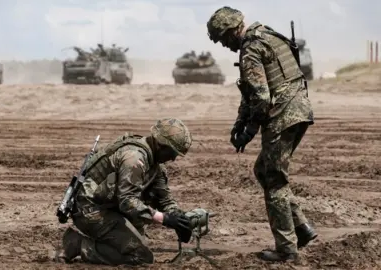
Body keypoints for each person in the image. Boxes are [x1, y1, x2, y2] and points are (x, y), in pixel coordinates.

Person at [206, 6, 318, 262]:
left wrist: (249, 130)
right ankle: (302, 228)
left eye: (223, 39)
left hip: (283, 114)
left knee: (274, 180)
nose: (224, 45)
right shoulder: (268, 35)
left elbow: (261, 96)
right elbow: (251, 92)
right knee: (263, 170)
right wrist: (240, 123)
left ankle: (287, 249)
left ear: (232, 31)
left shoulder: (251, 49)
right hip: (299, 110)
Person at [61, 118, 194, 266]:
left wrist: (178, 219)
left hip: (109, 206)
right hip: (90, 210)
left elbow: (164, 199)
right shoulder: (134, 159)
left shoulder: (154, 164)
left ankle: (104, 240)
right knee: (141, 257)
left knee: (137, 243)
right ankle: (79, 245)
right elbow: (127, 202)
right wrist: (165, 219)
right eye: (172, 152)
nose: (173, 159)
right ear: (160, 145)